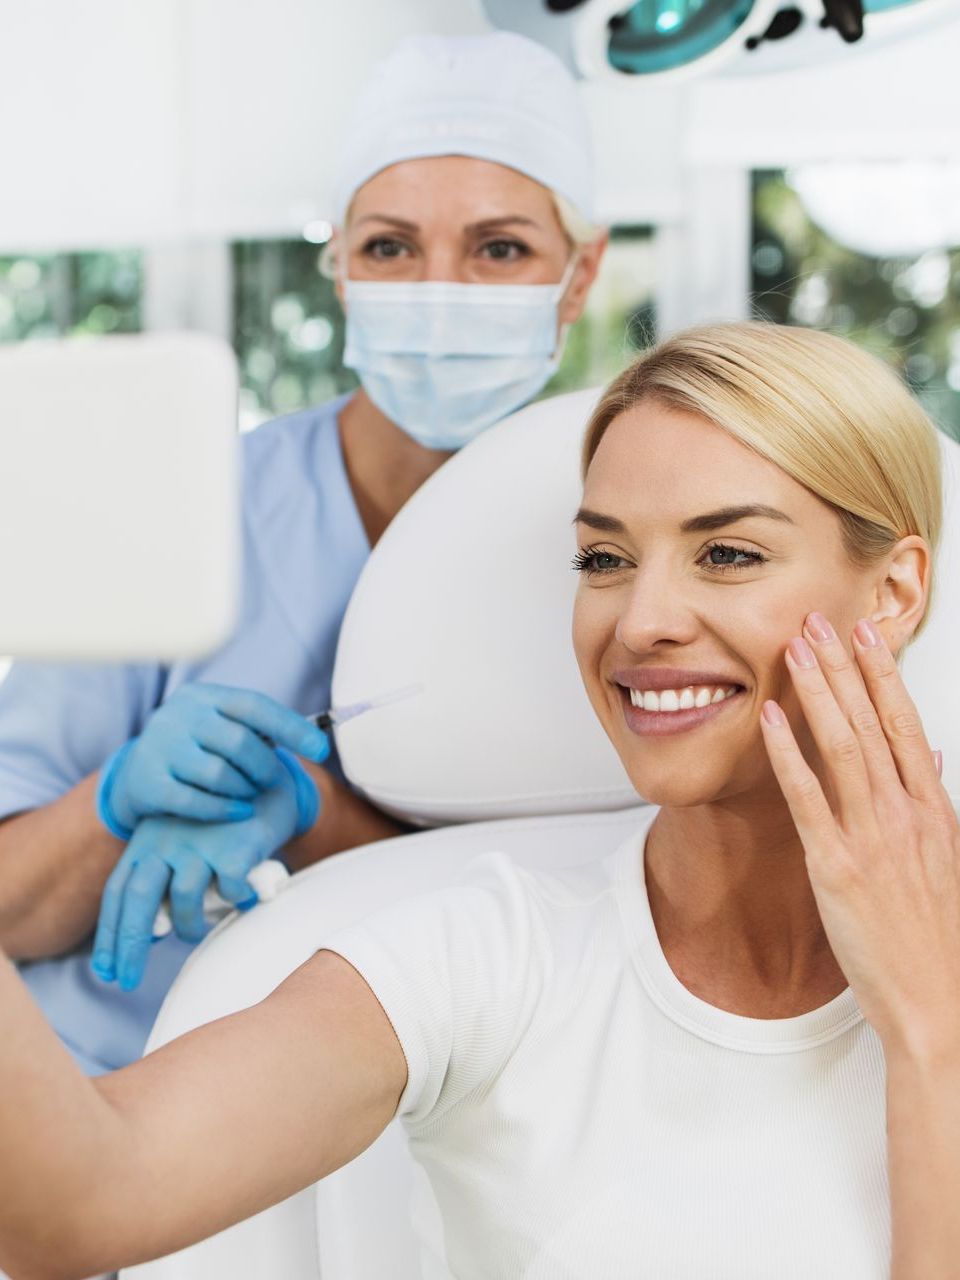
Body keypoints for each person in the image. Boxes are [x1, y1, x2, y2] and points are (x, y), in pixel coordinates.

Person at [0, 321, 957, 1280]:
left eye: (730, 555)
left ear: (894, 590)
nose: (642, 621)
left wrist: (928, 1027)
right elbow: (78, 1206)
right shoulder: (487, 955)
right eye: (604, 560)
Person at [0, 31, 607, 1074]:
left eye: (500, 247)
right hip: (95, 1092)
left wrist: (316, 815)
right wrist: (115, 800)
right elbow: (9, 905)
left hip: (395, 1144)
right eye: (388, 246)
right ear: (335, 264)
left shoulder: (625, 544)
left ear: (581, 272)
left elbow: (602, 925)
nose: (437, 287)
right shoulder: (183, 505)